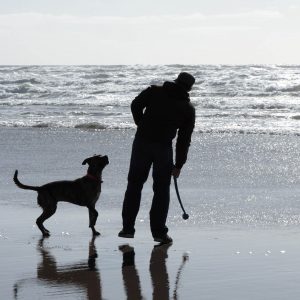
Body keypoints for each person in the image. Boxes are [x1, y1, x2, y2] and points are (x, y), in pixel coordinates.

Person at [118, 72, 196, 244]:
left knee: (134, 184)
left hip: (142, 143)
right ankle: (159, 233)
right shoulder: (187, 108)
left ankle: (128, 229)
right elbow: (184, 140)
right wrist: (179, 165)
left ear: (176, 81)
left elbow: (135, 105)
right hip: (163, 148)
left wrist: (142, 125)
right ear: (189, 88)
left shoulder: (154, 91)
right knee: (161, 191)